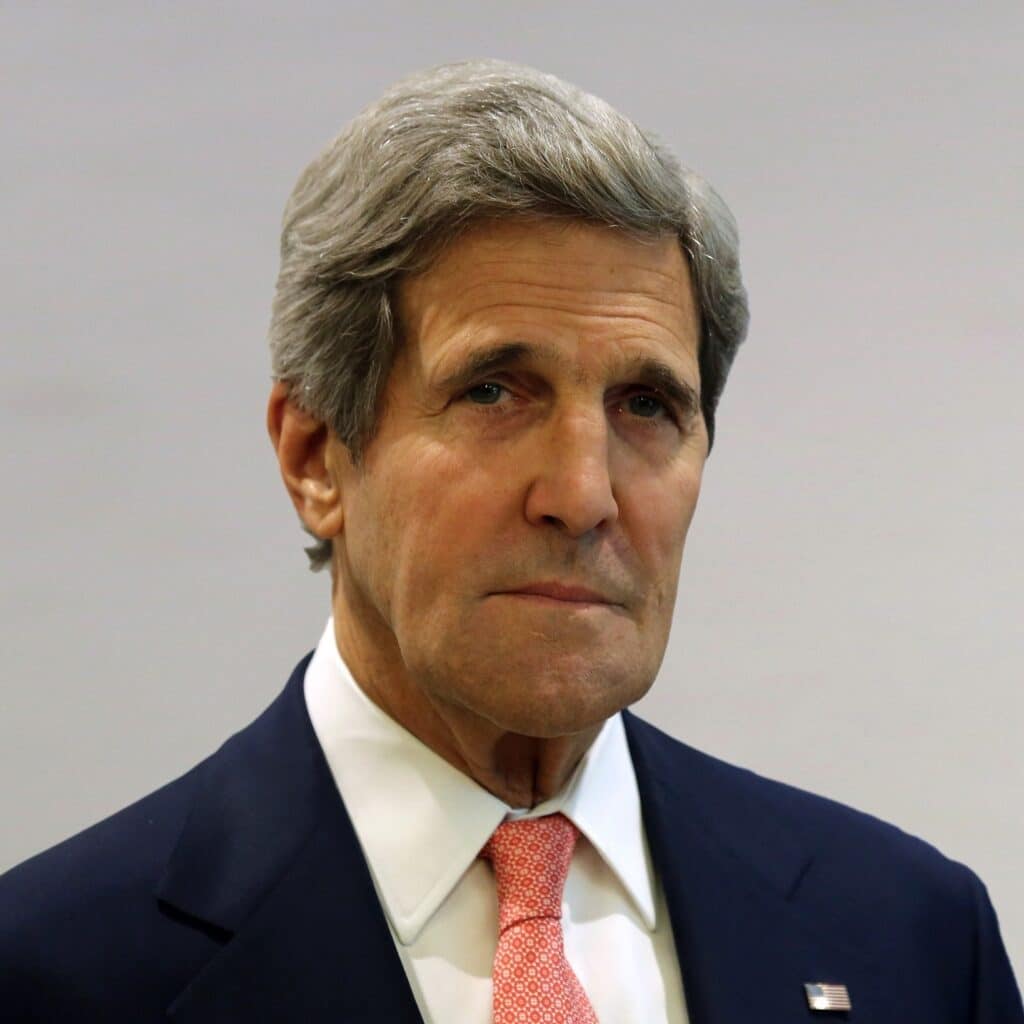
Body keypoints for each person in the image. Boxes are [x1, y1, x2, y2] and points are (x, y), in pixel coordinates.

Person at [1, 59, 1020, 1024]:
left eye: (645, 405)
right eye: (494, 392)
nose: (583, 495)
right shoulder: (49, 973)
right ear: (316, 458)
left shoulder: (915, 940)